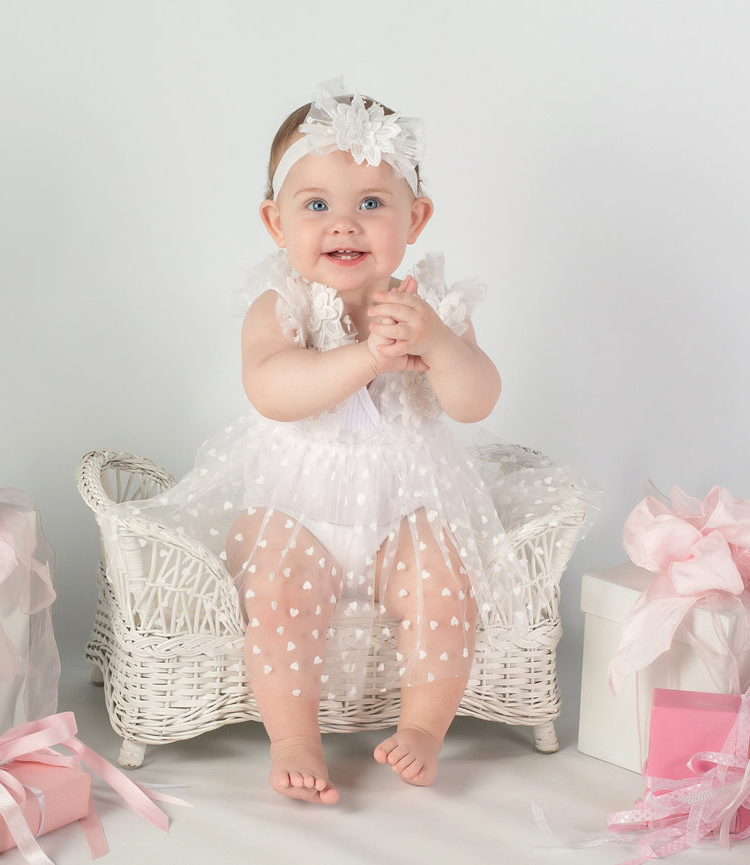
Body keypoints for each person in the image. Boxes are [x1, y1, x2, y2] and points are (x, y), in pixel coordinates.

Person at [116, 78, 537, 804]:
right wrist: (366, 357)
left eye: (371, 203)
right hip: (294, 510)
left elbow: (476, 401)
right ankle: (294, 736)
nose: (344, 223)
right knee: (275, 596)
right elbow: (273, 389)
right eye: (316, 205)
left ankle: (423, 728)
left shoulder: (430, 308)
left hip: (406, 511)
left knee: (447, 588)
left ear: (417, 216)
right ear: (275, 222)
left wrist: (437, 344)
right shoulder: (278, 306)